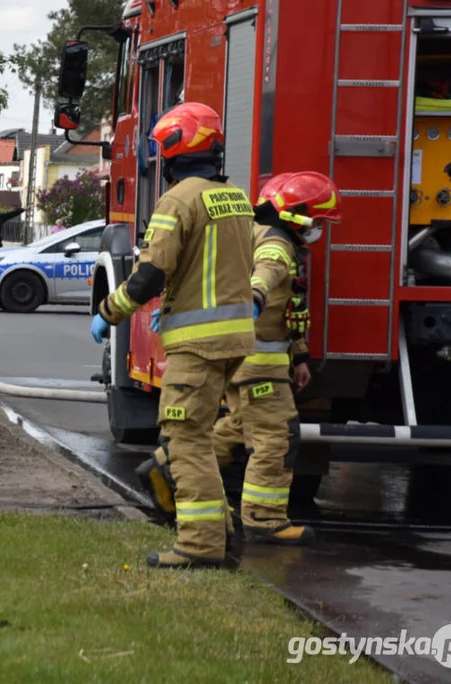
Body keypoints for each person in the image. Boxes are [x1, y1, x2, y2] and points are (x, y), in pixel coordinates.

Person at [90, 102, 255, 570]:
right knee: (200, 438)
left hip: (197, 345)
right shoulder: (235, 197)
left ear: (175, 152)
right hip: (233, 342)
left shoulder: (179, 201)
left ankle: (199, 546)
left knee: (186, 443)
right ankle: (218, 532)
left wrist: (108, 311)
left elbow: (149, 276)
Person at [136, 171, 342, 546]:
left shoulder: (264, 235)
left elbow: (289, 308)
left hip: (252, 359)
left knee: (235, 429)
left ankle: (167, 464)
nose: (321, 230)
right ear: (296, 215)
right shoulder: (276, 244)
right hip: (259, 363)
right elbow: (266, 274)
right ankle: (264, 519)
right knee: (275, 438)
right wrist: (257, 296)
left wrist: (299, 357)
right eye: (320, 222)